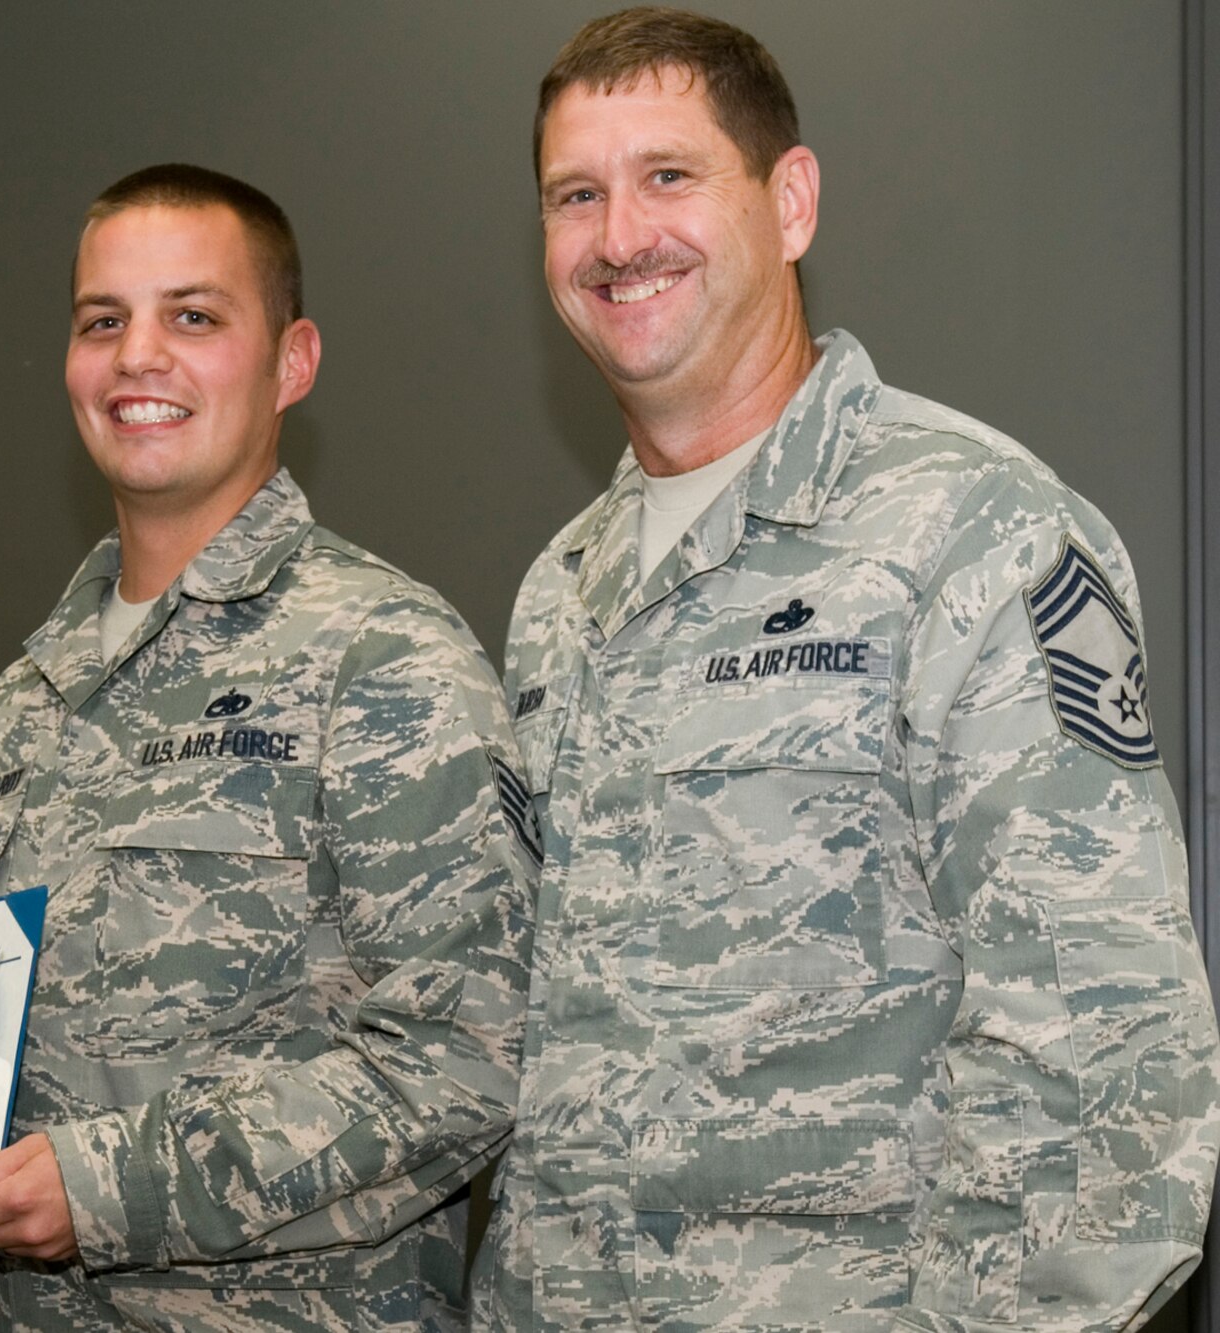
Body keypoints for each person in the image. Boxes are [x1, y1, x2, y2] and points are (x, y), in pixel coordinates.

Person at [476, 9, 1220, 1330]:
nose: (618, 234)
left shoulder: (974, 529)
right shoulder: (562, 594)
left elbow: (1107, 1064)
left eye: (668, 176)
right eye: (574, 195)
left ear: (793, 200)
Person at [0, 164, 535, 1331]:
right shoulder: (24, 697)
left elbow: (471, 1054)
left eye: (191, 316)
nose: (136, 355)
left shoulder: (380, 652)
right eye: (103, 320)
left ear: (290, 363)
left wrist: (112, 1187)